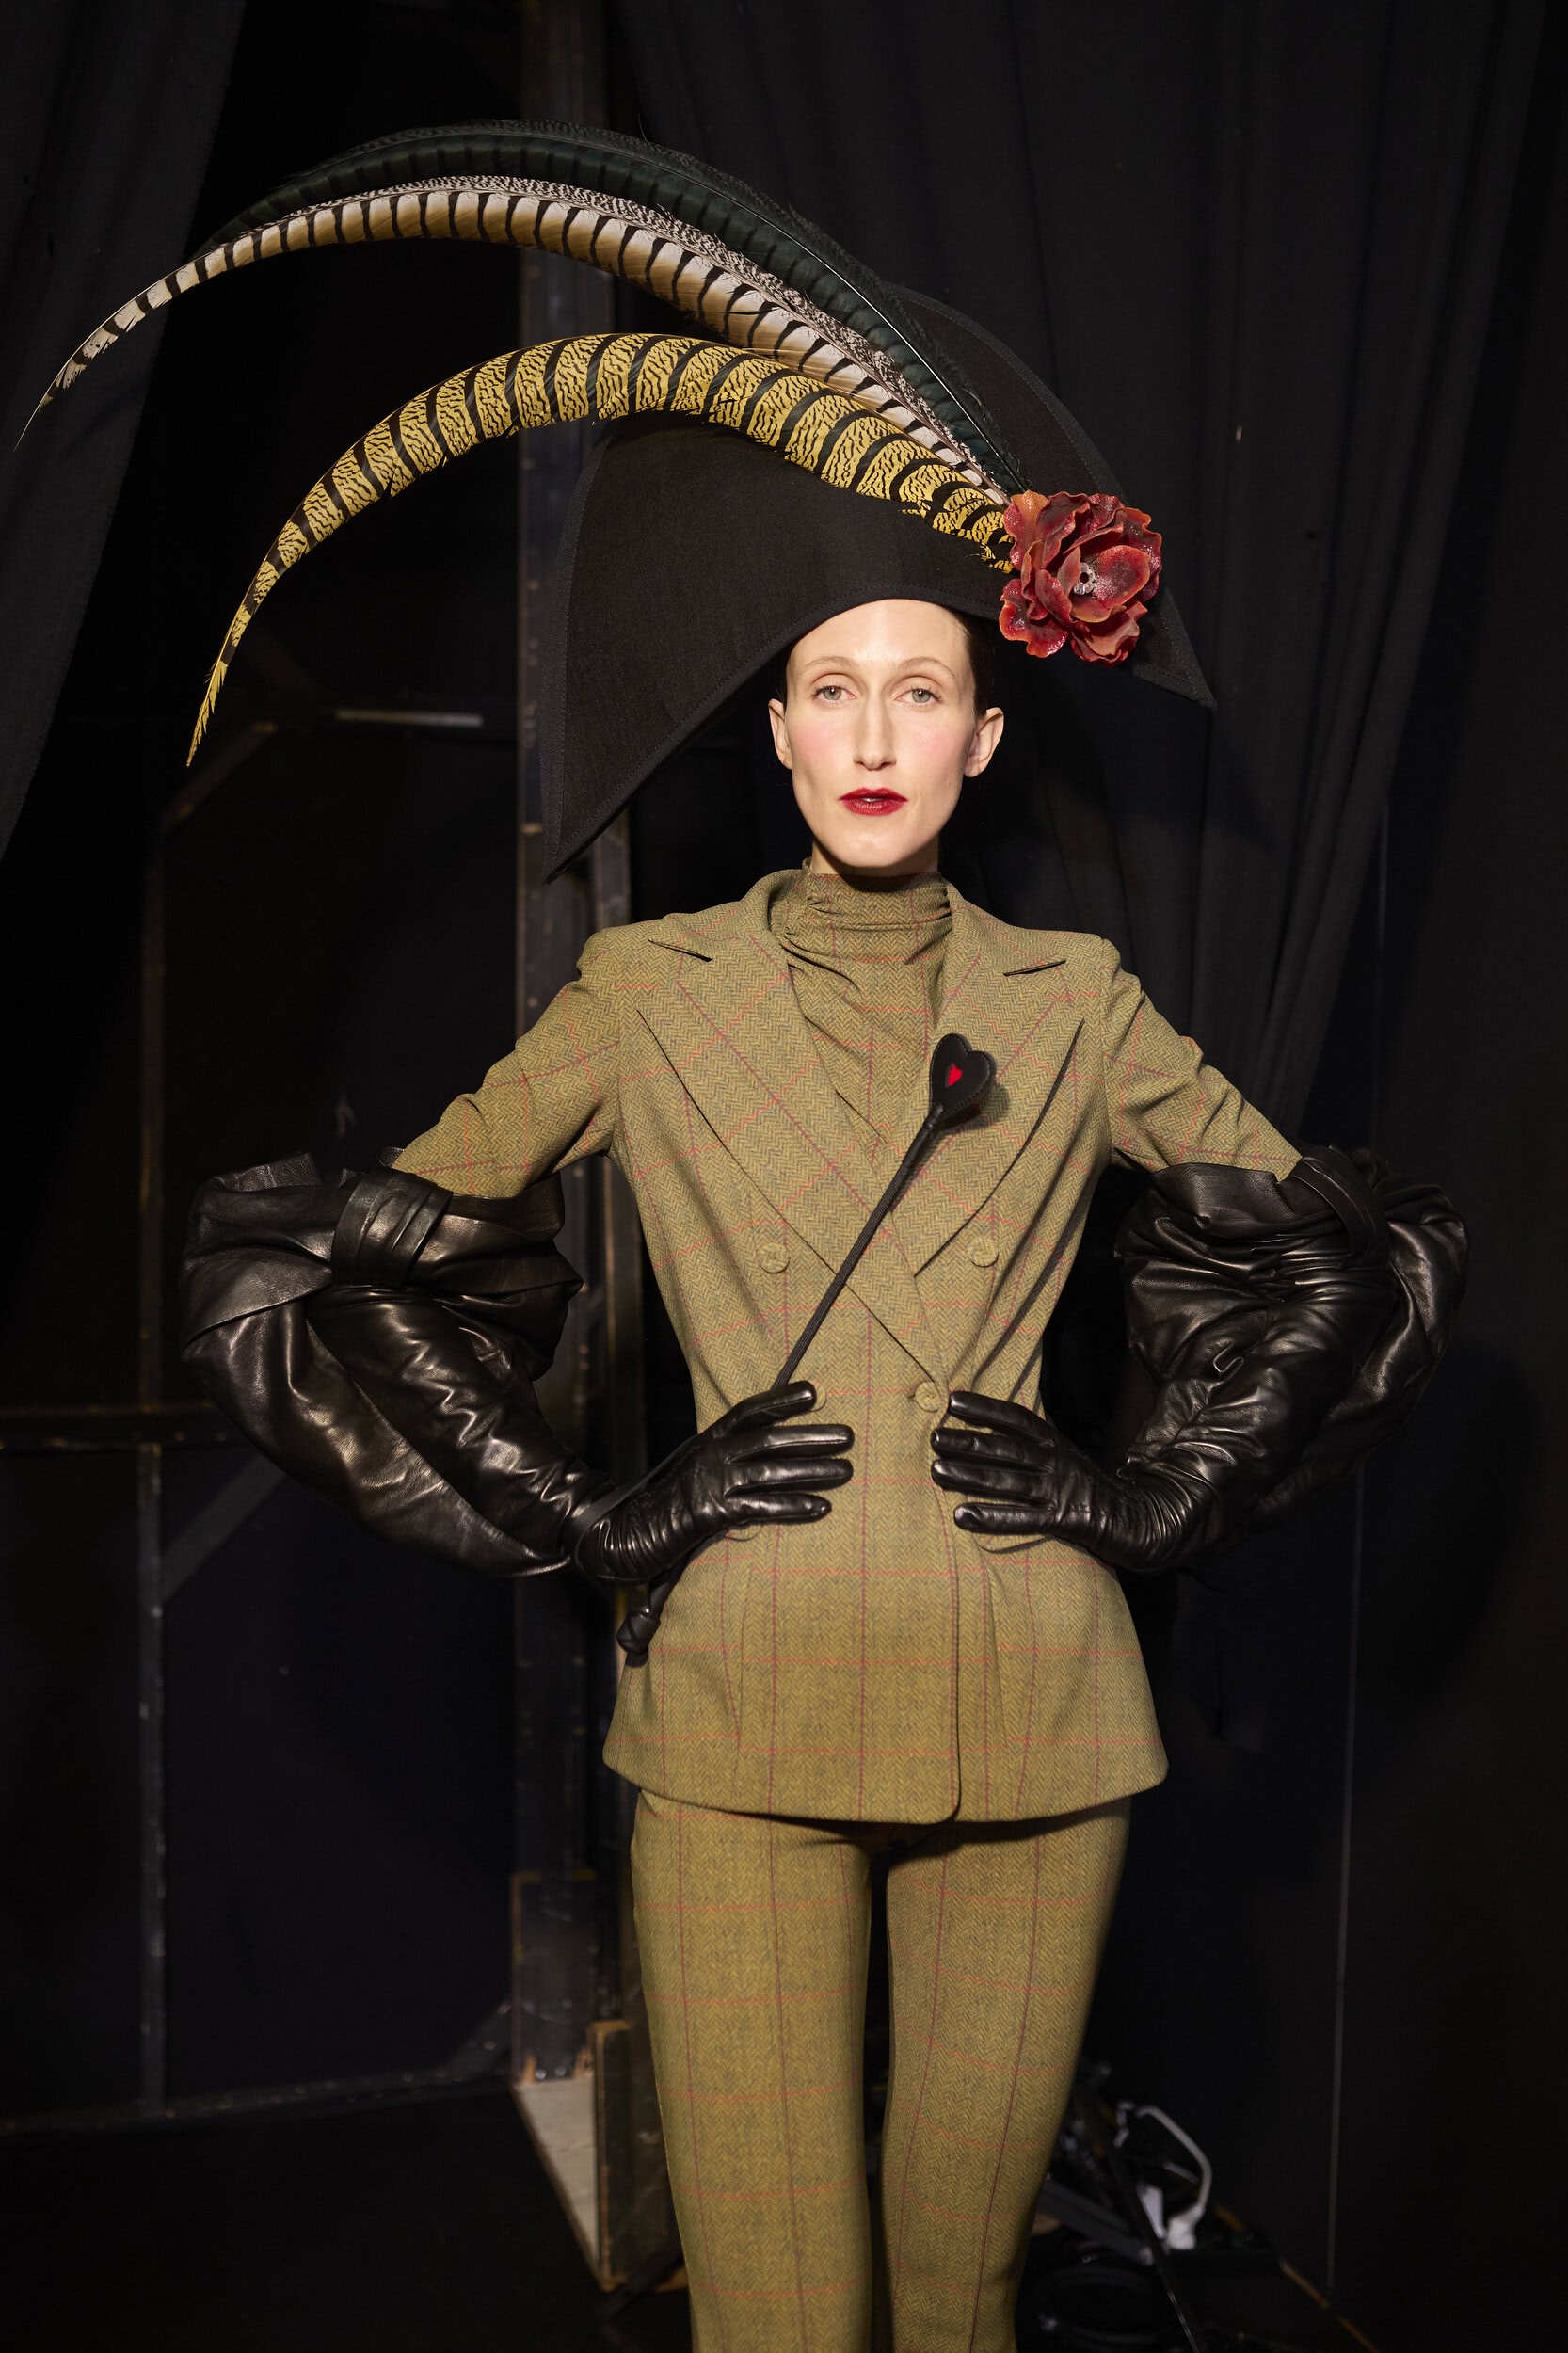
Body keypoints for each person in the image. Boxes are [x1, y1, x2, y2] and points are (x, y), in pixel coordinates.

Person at [50, 123, 1464, 2353]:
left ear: (981, 733)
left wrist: (1154, 1494)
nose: (873, 732)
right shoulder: (643, 995)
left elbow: (1348, 1255)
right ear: (776, 731)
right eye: (830, 687)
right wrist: (592, 1508)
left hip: (1037, 1708)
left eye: (919, 688)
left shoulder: (1074, 1004)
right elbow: (345, 1259)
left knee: (961, 2284)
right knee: (779, 2309)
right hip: (732, 1715)